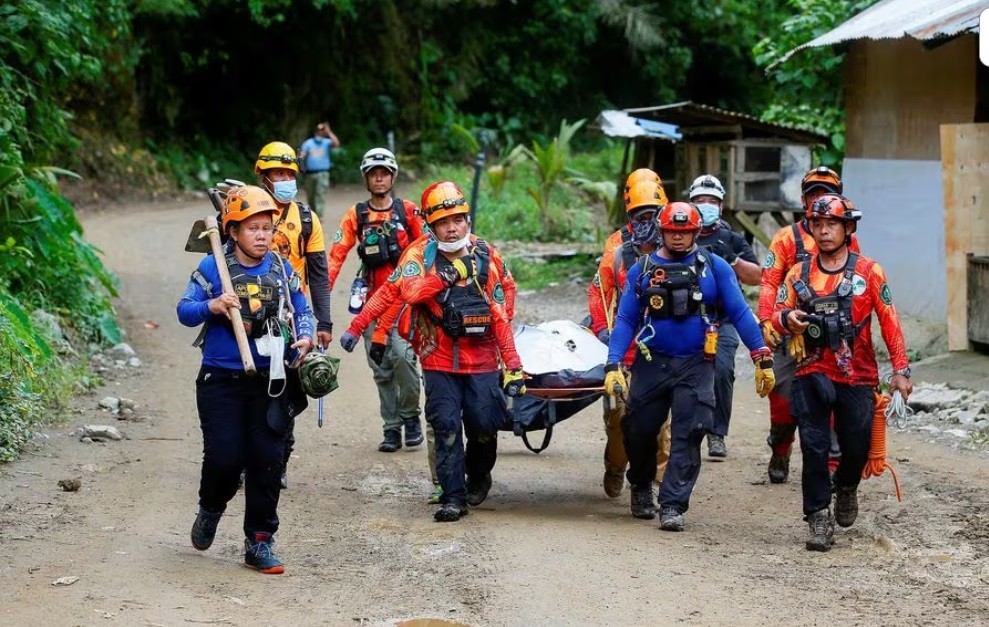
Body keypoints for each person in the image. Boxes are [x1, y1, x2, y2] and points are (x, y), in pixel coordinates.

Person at [605, 201, 775, 531]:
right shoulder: (642, 269)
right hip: (652, 361)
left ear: (696, 232)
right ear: (662, 231)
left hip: (697, 363)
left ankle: (672, 504)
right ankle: (640, 483)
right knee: (637, 429)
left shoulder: (716, 267)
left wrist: (761, 355)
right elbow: (626, 318)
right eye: (672, 231)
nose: (678, 238)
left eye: (684, 232)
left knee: (691, 430)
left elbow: (740, 313)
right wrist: (613, 362)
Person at [178, 185, 315, 574]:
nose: (261, 235)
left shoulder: (282, 270)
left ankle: (259, 541)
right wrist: (214, 305)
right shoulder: (213, 268)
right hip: (220, 379)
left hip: (271, 381)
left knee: (267, 460)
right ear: (233, 231)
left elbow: (302, 309)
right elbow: (184, 311)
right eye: (251, 228)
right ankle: (211, 508)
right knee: (224, 458)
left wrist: (304, 336)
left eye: (267, 228)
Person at [770, 194, 912, 551]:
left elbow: (890, 320)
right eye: (817, 225)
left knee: (857, 446)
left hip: (858, 374)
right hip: (811, 369)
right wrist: (788, 319)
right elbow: (777, 312)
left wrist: (901, 369)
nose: (824, 231)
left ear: (848, 228)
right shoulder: (797, 273)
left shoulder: (869, 271)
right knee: (815, 446)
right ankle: (818, 518)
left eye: (831, 224)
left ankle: (847, 485)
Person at [397, 180, 524, 522]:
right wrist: (447, 277)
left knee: (485, 425)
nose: (452, 229)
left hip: (482, 358)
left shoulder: (488, 255)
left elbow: (504, 301)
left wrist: (510, 359)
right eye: (443, 223)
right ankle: (453, 496)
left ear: (468, 220)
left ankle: (479, 474)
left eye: (458, 220)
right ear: (431, 225)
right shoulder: (418, 255)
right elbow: (409, 293)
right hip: (437, 356)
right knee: (446, 426)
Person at [758, 166, 858, 484]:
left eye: (827, 192)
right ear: (804, 199)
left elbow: (859, 282)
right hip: (792, 332)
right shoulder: (787, 239)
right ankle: (781, 446)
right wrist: (765, 321)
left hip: (832, 333)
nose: (820, 198)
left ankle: (829, 469)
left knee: (832, 399)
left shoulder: (848, 240)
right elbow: (770, 282)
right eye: (814, 192)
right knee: (784, 402)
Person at [331, 148, 427, 453]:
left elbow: (430, 247)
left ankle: (411, 415)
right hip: (371, 301)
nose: (380, 178)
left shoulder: (408, 212)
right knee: (381, 368)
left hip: (406, 302)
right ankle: (391, 428)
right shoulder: (356, 215)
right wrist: (318, 300)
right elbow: (335, 257)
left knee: (403, 360)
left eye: (384, 173)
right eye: (373, 173)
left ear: (393, 176)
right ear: (365, 178)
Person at [587, 168, 672, 498]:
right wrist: (604, 334)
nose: (646, 220)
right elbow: (599, 292)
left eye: (652, 213)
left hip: (665, 347)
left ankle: (662, 491)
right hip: (626, 347)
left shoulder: (677, 238)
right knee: (623, 419)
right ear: (629, 213)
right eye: (639, 214)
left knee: (664, 425)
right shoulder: (618, 248)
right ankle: (616, 463)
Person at [254, 141, 333, 488]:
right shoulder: (246, 213)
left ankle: (279, 459)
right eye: (278, 173)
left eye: (290, 173)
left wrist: (324, 321)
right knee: (246, 390)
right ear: (263, 176)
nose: (285, 179)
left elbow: (318, 272)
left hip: (289, 317)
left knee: (284, 394)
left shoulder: (306, 218)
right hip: (248, 312)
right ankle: (247, 458)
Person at [689, 174, 761, 459]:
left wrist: (731, 258)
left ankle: (716, 434)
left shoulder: (731, 239)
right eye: (700, 200)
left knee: (722, 371)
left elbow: (757, 277)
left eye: (712, 201)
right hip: (687, 318)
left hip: (724, 319)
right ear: (691, 203)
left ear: (721, 206)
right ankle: (686, 429)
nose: (706, 205)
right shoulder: (679, 234)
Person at [299, 122, 340, 217]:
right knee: (310, 195)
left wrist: (329, 132)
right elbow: (302, 156)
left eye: (322, 131)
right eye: (318, 131)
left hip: (323, 173)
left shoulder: (326, 142)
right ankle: (313, 214)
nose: (320, 133)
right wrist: (299, 165)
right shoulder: (308, 143)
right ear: (315, 132)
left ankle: (319, 215)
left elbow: (336, 143)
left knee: (320, 194)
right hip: (310, 174)